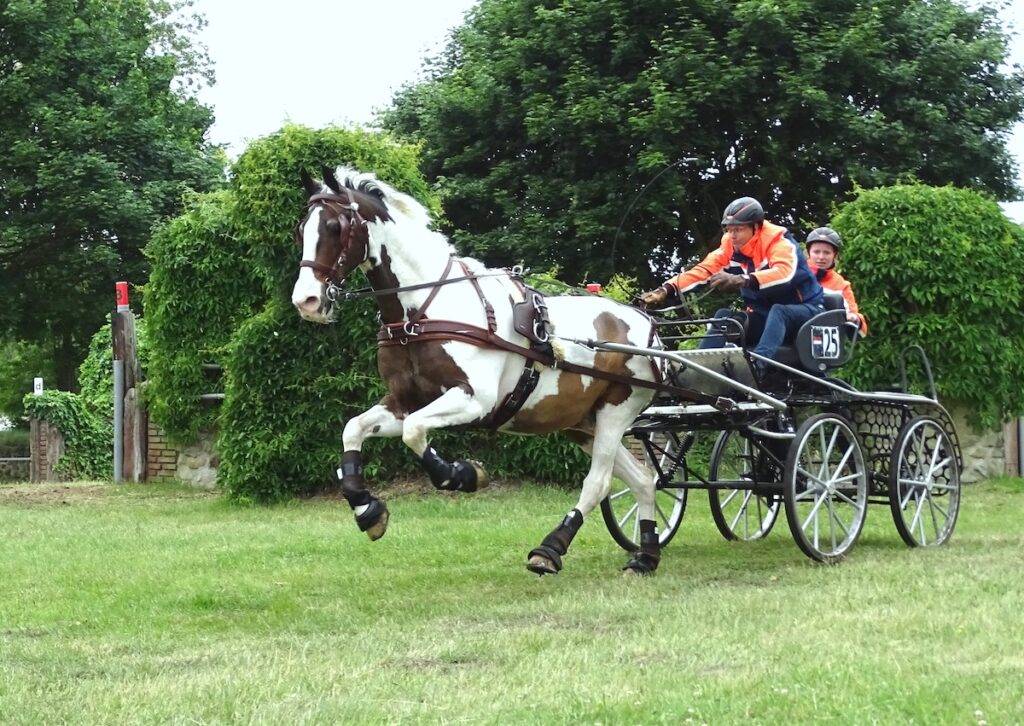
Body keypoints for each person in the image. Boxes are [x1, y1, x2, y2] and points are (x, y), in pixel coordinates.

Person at [640, 197, 824, 362]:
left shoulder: (779, 243)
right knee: (723, 316)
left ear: (756, 227)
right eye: (729, 229)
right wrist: (666, 289)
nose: (732, 235)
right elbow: (704, 270)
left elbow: (784, 273)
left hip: (806, 312)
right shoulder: (730, 243)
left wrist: (742, 280)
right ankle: (698, 369)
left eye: (738, 229)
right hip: (765, 316)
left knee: (779, 311)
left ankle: (758, 365)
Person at [805, 227, 868, 335]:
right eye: (816, 251)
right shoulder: (794, 275)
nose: (821, 257)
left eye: (826, 252)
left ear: (835, 255)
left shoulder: (841, 284)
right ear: (808, 253)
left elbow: (859, 327)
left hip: (828, 344)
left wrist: (855, 318)